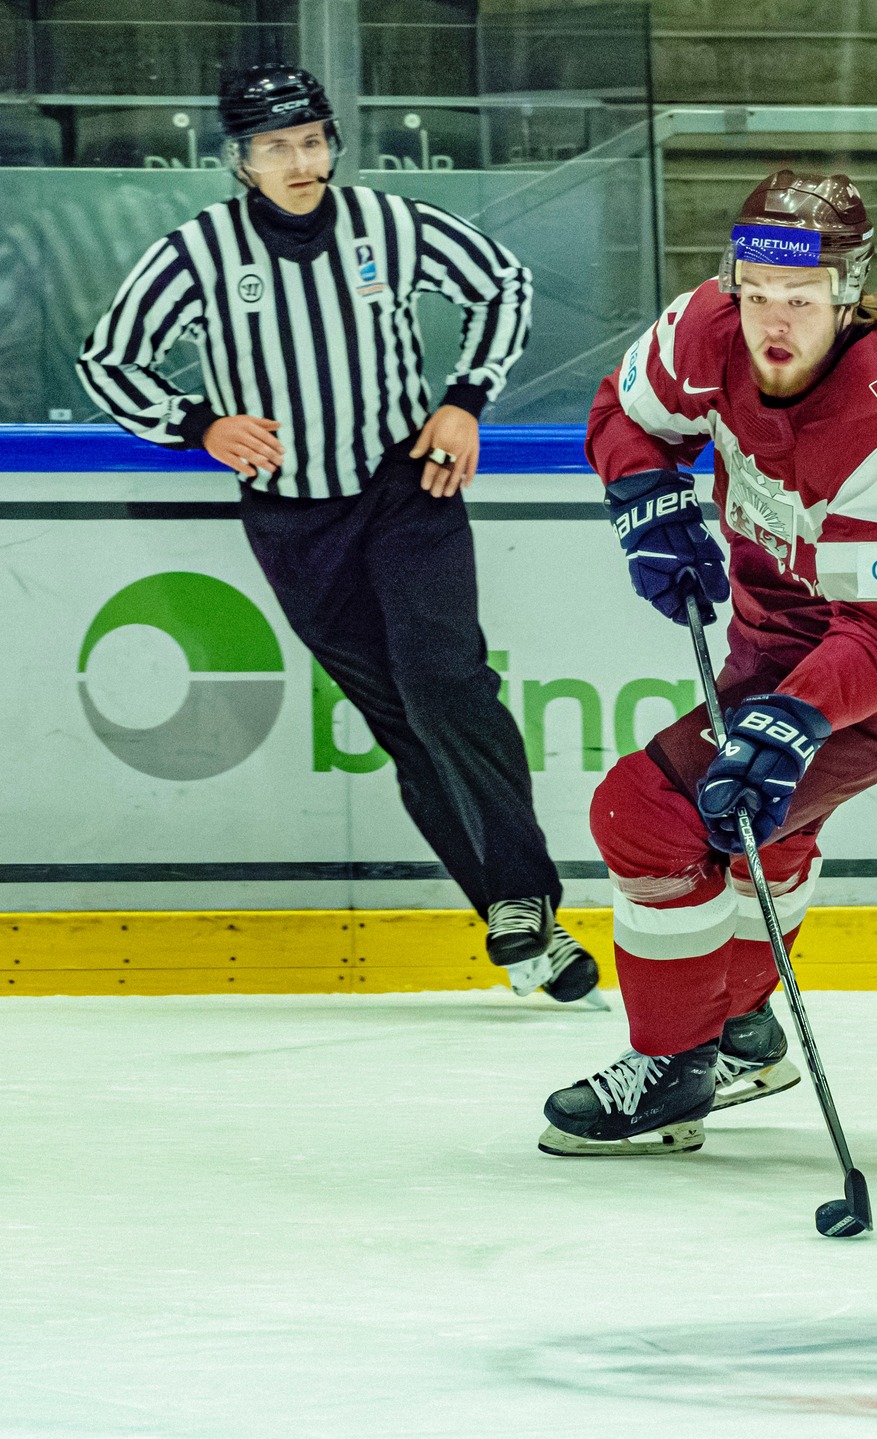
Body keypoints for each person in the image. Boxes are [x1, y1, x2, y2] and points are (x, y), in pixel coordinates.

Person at [77, 64, 599, 1006]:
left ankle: (524, 897)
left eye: (313, 139)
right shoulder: (196, 252)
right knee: (401, 723)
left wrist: (465, 401)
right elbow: (110, 360)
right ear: (239, 160)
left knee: (448, 684)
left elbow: (504, 286)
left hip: (409, 488)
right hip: (294, 520)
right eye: (276, 146)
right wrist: (197, 424)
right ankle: (522, 925)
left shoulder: (390, 227)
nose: (301, 160)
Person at [539, 170, 877, 1154]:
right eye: (755, 289)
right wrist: (647, 499)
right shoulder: (703, 328)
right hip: (779, 609)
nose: (772, 318)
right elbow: (626, 412)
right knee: (767, 816)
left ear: (848, 295)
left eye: (799, 299)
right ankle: (742, 1026)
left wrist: (791, 721)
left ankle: (676, 1068)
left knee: (651, 812)